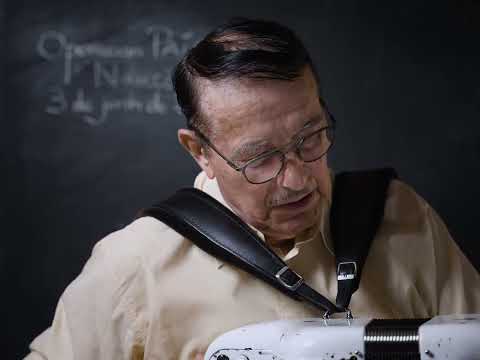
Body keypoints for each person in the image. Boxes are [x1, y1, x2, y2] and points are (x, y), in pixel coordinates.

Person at [25, 18, 479, 360]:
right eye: (260, 157)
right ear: (199, 151)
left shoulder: (401, 215)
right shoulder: (131, 267)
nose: (299, 179)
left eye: (311, 138)